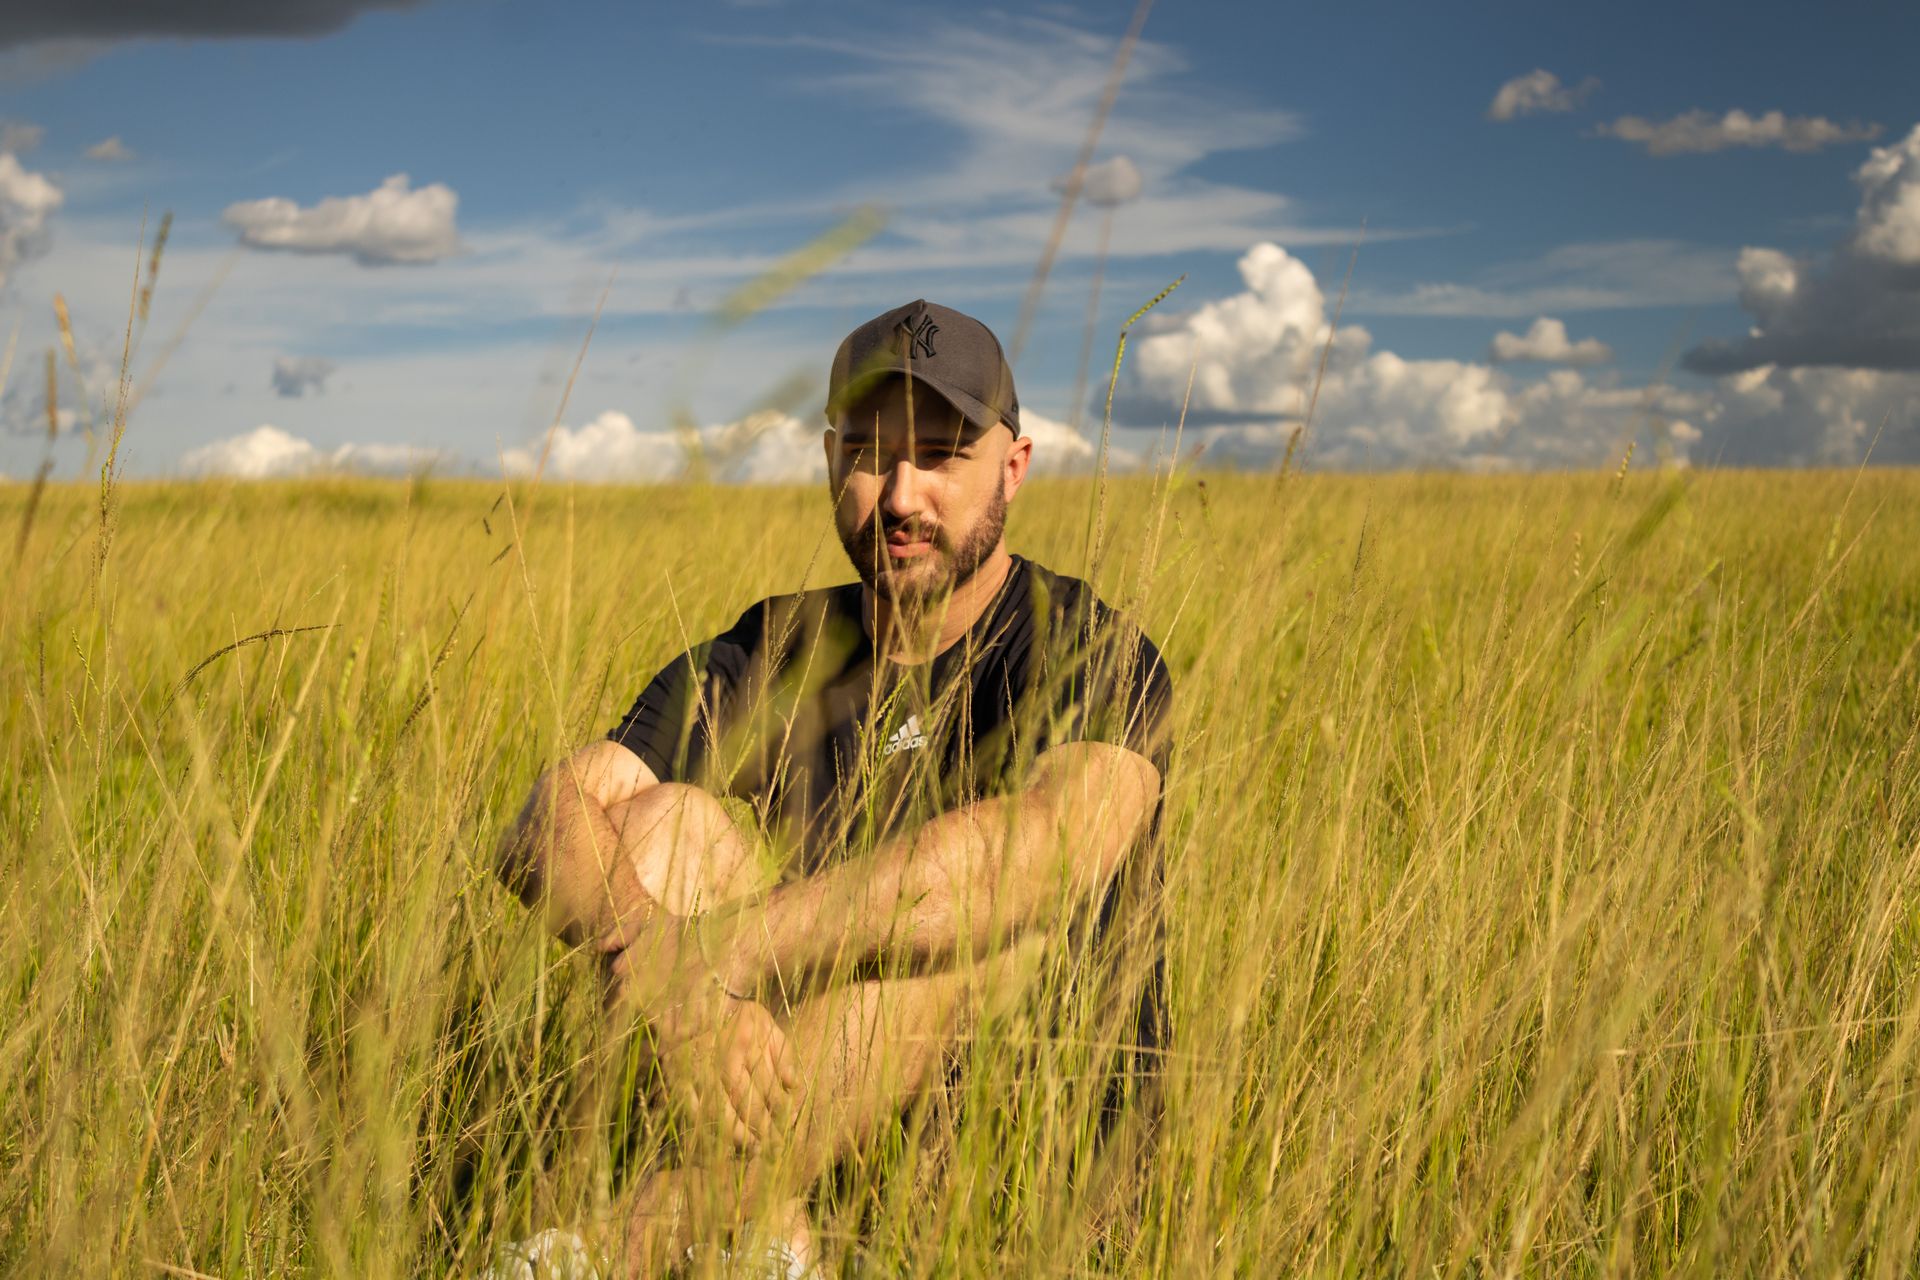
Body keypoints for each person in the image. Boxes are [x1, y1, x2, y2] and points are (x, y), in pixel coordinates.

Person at [493, 300, 1173, 1277]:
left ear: (1012, 467)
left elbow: (1040, 853)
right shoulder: (780, 644)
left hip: (1013, 1152)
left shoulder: (1086, 644)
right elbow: (545, 816)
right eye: (866, 453)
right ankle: (774, 1237)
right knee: (658, 826)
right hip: (803, 1097)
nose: (900, 496)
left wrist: (710, 952)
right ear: (827, 459)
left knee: (967, 923)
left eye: (941, 455)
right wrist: (649, 946)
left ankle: (627, 1244)